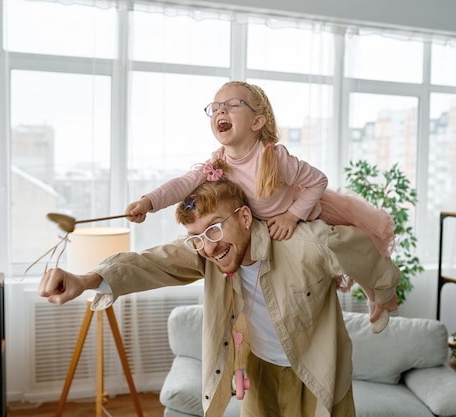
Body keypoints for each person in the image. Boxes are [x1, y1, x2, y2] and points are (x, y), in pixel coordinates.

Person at [39, 177, 400, 417]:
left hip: (319, 370)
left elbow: (364, 253)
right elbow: (148, 263)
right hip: (260, 370)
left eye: (213, 228)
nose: (208, 247)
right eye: (197, 237)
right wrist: (85, 280)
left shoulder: (307, 243)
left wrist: (381, 293)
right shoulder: (205, 252)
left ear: (244, 217)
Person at [124, 80, 396, 330]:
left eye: (232, 106)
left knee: (345, 249)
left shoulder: (273, 158)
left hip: (305, 216)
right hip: (263, 228)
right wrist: (148, 202)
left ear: (257, 122)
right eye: (216, 108)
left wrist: (292, 216)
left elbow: (318, 181)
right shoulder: (218, 163)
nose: (221, 112)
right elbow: (183, 183)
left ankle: (380, 290)